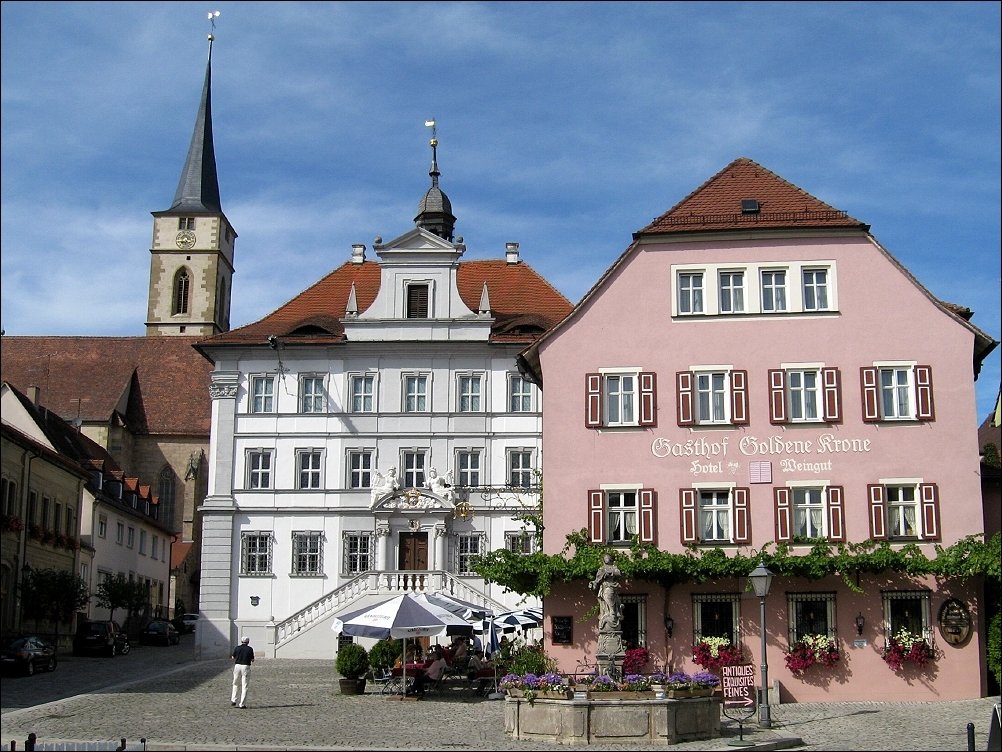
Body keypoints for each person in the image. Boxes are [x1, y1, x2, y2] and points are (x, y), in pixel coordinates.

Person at [589, 553, 623, 631]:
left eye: (607, 557)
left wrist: (610, 573)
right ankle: (607, 614)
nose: (606, 558)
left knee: (609, 599)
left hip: (610, 587)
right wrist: (592, 584)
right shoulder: (601, 569)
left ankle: (612, 614)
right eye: (605, 557)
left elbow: (619, 573)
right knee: (604, 603)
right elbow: (597, 580)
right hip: (604, 587)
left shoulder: (614, 567)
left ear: (611, 559)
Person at [231, 636, 254, 708]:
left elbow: (233, 657)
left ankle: (233, 700)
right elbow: (252, 659)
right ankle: (242, 704)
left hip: (237, 666)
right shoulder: (250, 649)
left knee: (235, 683)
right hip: (245, 666)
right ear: (248, 642)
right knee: (245, 686)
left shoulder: (237, 648)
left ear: (241, 641)